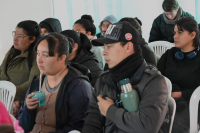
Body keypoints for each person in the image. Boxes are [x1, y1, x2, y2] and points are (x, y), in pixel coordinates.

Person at [82, 21, 168, 133]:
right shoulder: (103, 80)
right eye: (104, 47)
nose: (104, 52)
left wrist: (110, 111)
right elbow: (92, 123)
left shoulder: (154, 81)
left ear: (128, 47)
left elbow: (147, 127)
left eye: (109, 46)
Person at [18, 33, 93, 133]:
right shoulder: (37, 82)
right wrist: (28, 109)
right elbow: (23, 126)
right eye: (38, 54)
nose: (39, 60)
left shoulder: (78, 86)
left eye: (45, 55)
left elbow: (78, 127)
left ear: (61, 58)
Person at [157, 17, 200, 133]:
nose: (175, 36)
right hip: (165, 99)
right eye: (175, 32)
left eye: (180, 32)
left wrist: (181, 94)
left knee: (174, 125)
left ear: (192, 35)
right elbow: (156, 76)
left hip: (190, 103)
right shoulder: (169, 54)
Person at [0, 20, 41, 117]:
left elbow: (32, 83)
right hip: (5, 99)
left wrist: (12, 97)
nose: (15, 39)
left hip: (24, 102)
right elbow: (1, 72)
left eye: (20, 36)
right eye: (14, 34)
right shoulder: (12, 52)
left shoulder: (37, 56)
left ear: (32, 39)